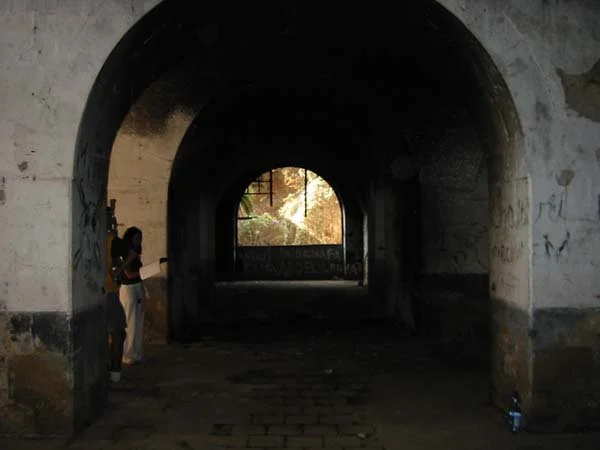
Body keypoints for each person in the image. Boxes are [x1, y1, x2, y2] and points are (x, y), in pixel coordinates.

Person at [112, 226, 146, 365]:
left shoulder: (135, 252)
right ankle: (127, 354)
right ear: (130, 238)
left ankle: (137, 353)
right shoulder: (125, 252)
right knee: (130, 322)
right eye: (136, 238)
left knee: (138, 322)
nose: (139, 241)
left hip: (137, 287)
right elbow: (129, 274)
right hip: (128, 288)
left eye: (140, 238)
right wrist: (146, 272)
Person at [105, 205, 127, 382]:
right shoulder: (112, 240)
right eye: (112, 217)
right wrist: (119, 269)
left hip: (95, 293)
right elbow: (131, 254)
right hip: (109, 293)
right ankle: (115, 372)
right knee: (119, 333)